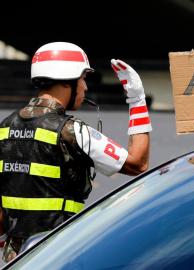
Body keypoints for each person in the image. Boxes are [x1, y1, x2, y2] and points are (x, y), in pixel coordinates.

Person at [0, 41, 152, 262]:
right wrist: (137, 100)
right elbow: (138, 163)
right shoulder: (72, 131)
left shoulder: (5, 127)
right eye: (83, 79)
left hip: (18, 260)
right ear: (67, 80)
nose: (85, 88)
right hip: (61, 253)